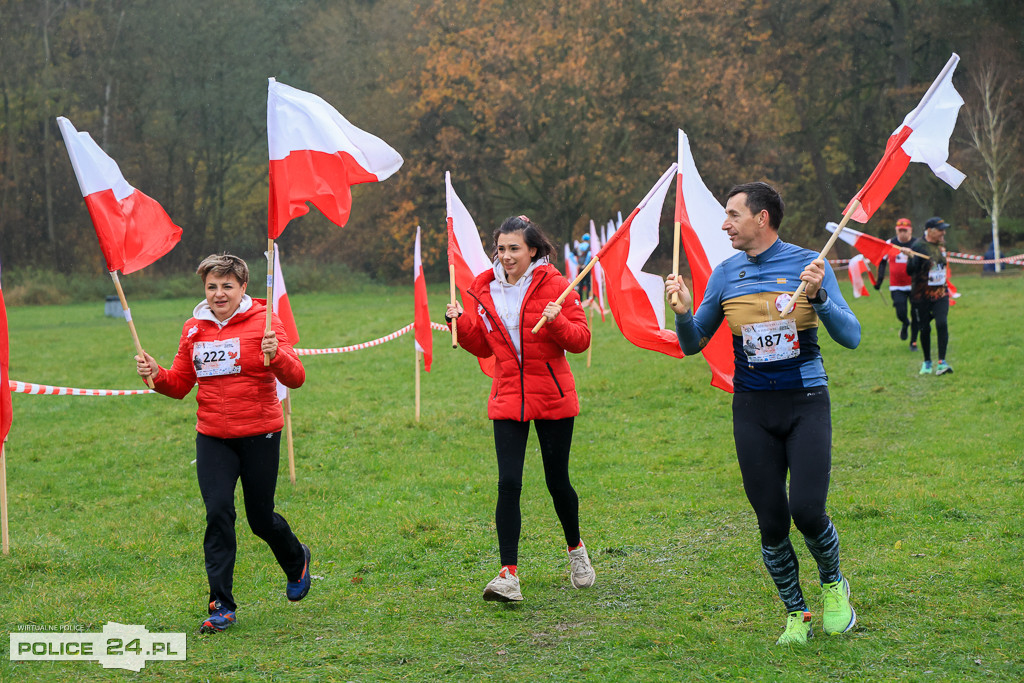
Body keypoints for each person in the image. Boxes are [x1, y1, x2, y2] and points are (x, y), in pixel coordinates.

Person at [665, 182, 861, 645]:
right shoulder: (724, 274)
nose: (724, 224)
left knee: (807, 511)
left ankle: (834, 586)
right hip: (752, 409)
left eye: (733, 215)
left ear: (762, 218)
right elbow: (693, 343)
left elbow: (851, 336)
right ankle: (797, 613)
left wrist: (819, 297)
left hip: (806, 402)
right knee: (771, 522)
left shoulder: (809, 265)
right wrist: (683, 313)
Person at [135, 254, 310, 633]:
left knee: (260, 519)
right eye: (212, 286)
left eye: (227, 286)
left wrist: (277, 355)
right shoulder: (193, 328)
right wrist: (156, 373)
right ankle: (221, 606)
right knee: (218, 515)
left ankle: (296, 560)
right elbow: (179, 384)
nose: (218, 294)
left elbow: (296, 377)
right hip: (213, 436)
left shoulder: (266, 322)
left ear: (243, 287)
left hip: (260, 432)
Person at [445, 215, 595, 602]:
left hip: (552, 394)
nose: (507, 256)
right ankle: (508, 575)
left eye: (515, 248)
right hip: (508, 394)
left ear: (532, 250)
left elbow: (581, 340)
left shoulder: (558, 285)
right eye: (501, 249)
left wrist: (557, 321)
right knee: (508, 483)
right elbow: (485, 346)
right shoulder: (485, 289)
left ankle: (576, 549)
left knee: (557, 482)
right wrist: (461, 324)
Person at [906, 217, 953, 375]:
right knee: (924, 328)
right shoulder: (918, 246)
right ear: (930, 231)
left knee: (942, 323)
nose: (943, 233)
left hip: (940, 294)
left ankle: (942, 362)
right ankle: (927, 362)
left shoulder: (941, 245)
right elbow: (910, 271)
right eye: (940, 230)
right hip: (921, 296)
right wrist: (912, 258)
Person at [873, 217, 919, 349]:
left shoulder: (917, 244)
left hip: (915, 285)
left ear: (910, 230)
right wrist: (879, 280)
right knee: (901, 311)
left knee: (916, 314)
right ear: (896, 230)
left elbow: (923, 262)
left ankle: (913, 342)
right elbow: (882, 262)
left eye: (905, 230)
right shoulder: (890, 243)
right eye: (900, 230)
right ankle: (905, 323)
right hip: (897, 285)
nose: (902, 233)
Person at [574, 233, 593, 300]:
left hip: (580, 267)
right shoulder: (589, 246)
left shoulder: (579, 246)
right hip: (587, 267)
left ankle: (580, 299)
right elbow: (589, 255)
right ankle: (588, 299)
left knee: (580, 284)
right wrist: (585, 264)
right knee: (588, 284)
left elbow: (571, 255)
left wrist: (577, 264)